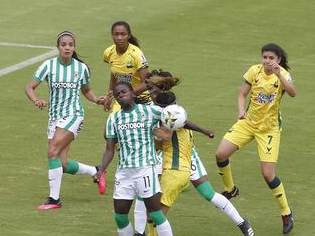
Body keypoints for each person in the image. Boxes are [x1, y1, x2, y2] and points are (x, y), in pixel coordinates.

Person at [138, 70, 254, 236]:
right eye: (149, 89)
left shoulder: (169, 108)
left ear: (162, 88)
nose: (149, 92)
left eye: (152, 89)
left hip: (184, 156)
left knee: (207, 194)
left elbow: (178, 126)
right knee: (147, 192)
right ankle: (142, 231)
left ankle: (242, 222)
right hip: (170, 155)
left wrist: (203, 130)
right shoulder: (159, 105)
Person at [215, 43, 297, 234]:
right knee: (220, 153)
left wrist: (279, 75)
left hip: (268, 129)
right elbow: (242, 94)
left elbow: (293, 93)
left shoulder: (282, 75)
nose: (267, 61)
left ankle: (286, 212)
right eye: (265, 57)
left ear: (278, 60)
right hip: (248, 123)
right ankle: (230, 189)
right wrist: (241, 111)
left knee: (268, 174)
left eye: (271, 58)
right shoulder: (254, 70)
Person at [25, 31, 106, 210]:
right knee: (61, 164)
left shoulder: (80, 68)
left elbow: (86, 91)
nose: (67, 47)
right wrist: (36, 99)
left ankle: (54, 200)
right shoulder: (48, 66)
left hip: (73, 115)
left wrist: (96, 99)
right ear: (58, 47)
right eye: (64, 44)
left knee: (52, 150)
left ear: (74, 47)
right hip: (54, 118)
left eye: (70, 44)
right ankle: (96, 171)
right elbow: (29, 87)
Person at [94, 82, 173, 236]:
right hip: (124, 173)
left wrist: (201, 130)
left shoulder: (149, 111)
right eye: (117, 94)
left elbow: (174, 117)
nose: (120, 95)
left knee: (156, 214)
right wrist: (101, 169)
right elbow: (109, 149)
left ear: (132, 93)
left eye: (123, 92)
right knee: (120, 216)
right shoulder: (113, 119)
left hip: (145, 169)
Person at [103, 21, 150, 113]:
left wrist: (129, 94)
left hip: (141, 98)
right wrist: (109, 97)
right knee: (112, 125)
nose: (119, 38)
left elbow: (147, 83)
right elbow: (114, 75)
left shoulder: (136, 54)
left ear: (128, 36)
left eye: (123, 34)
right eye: (116, 34)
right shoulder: (108, 53)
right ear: (112, 35)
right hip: (121, 99)